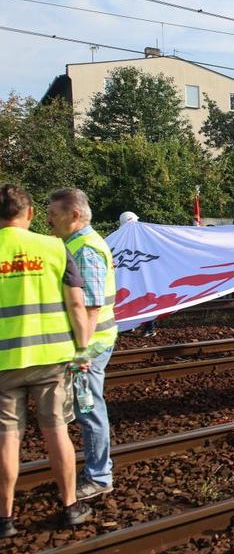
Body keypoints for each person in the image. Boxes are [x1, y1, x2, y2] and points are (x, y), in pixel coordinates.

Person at [0, 184, 93, 535]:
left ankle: (5, 518)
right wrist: (82, 348)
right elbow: (76, 305)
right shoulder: (54, 247)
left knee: (7, 438)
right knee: (56, 431)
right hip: (52, 359)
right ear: (30, 214)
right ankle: (70, 506)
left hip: (4, 362)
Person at [47, 188, 119, 501]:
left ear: (74, 215)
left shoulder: (85, 248)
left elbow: (89, 307)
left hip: (90, 344)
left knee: (89, 409)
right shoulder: (77, 243)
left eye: (53, 214)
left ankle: (99, 476)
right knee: (88, 408)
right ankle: (97, 471)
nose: (48, 219)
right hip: (92, 341)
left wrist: (81, 351)